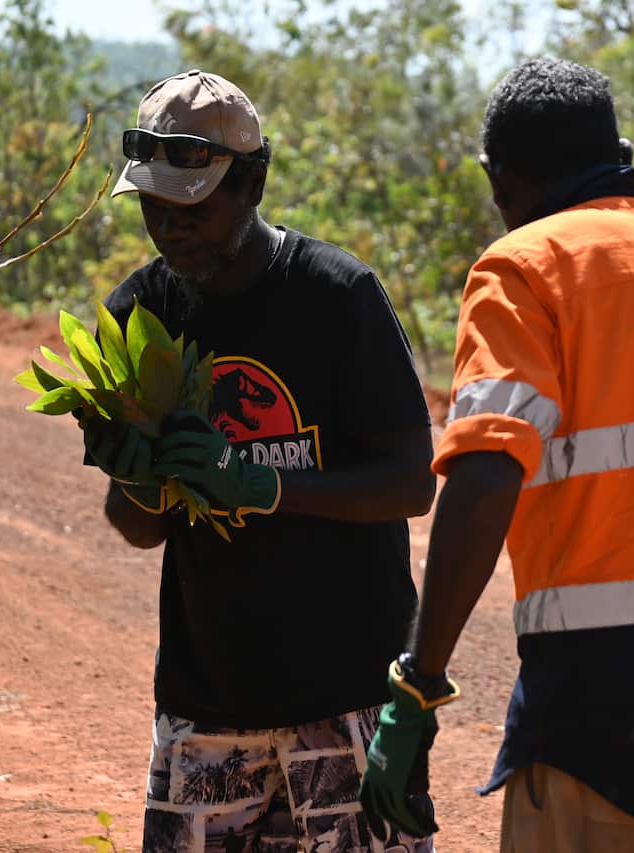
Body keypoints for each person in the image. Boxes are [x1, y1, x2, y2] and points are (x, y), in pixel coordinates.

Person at [357, 57, 634, 852]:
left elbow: (487, 468)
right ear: (622, 150)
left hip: (611, 723)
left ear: (498, 181)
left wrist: (418, 683)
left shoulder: (521, 267)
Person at [81, 69, 437, 853]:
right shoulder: (137, 314)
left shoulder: (338, 297)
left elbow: (411, 483)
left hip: (344, 701)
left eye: (194, 208)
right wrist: (137, 475)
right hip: (206, 703)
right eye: (153, 206)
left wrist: (265, 485)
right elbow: (136, 527)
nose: (172, 229)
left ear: (254, 182)